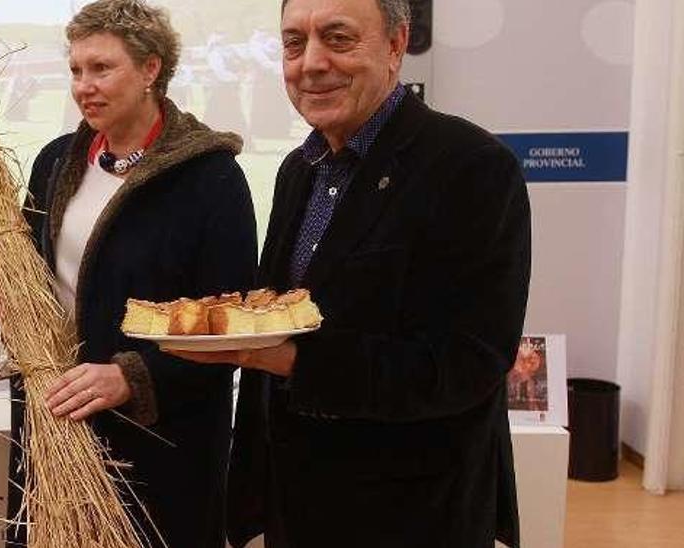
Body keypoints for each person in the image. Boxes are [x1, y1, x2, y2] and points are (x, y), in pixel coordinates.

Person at [172, 1, 530, 546]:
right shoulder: (300, 169)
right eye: (294, 43)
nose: (310, 63)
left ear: (395, 45)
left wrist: (287, 358)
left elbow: (467, 365)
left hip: (413, 514)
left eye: (337, 38)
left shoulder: (472, 168)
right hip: (299, 505)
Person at [0, 1, 259, 545]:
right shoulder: (57, 161)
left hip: (158, 444)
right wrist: (13, 302)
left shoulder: (210, 178)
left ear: (151, 69)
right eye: (76, 70)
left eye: (102, 68)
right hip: (56, 422)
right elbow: (43, 279)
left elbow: (230, 326)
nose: (84, 85)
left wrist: (130, 377)